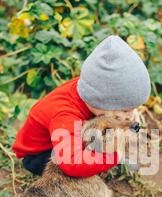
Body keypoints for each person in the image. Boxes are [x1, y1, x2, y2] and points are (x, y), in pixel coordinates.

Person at [12, 35, 151, 177]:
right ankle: (104, 159)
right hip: (40, 155)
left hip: (68, 136)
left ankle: (101, 156)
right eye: (126, 110)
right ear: (102, 100)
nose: (131, 114)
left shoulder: (93, 89)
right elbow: (72, 163)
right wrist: (116, 154)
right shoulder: (65, 116)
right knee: (76, 171)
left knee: (103, 135)